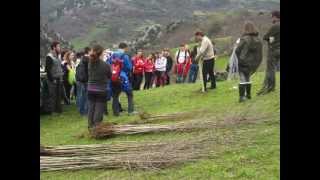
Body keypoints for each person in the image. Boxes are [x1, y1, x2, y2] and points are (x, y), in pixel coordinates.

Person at [235, 21, 263, 102]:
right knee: (248, 78)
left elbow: (237, 50)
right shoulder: (258, 39)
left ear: (245, 29)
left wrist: (239, 58)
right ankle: (248, 95)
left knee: (242, 79)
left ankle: (241, 97)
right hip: (253, 63)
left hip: (243, 61)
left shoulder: (244, 39)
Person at [87, 44, 112, 129]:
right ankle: (97, 127)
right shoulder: (105, 65)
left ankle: (90, 126)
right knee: (99, 109)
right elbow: (109, 76)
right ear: (101, 54)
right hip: (101, 89)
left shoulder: (90, 63)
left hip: (90, 89)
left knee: (91, 107)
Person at [108, 43, 135, 116]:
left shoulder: (112, 55)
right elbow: (129, 67)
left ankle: (116, 113)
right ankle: (131, 111)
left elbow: (108, 64)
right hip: (123, 77)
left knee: (115, 95)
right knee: (129, 93)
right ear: (125, 48)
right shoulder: (125, 56)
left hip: (113, 77)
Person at [257, 10, 280, 95]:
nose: (271, 18)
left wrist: (270, 39)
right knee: (272, 69)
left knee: (270, 70)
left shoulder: (275, 26)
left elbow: (265, 37)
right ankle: (268, 87)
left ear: (275, 17)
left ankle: (270, 88)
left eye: (272, 16)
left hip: (274, 50)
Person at [45, 41, 64, 114]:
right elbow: (48, 69)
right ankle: (52, 111)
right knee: (52, 95)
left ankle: (58, 110)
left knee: (58, 95)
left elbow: (58, 67)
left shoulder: (58, 56)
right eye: (58, 46)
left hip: (59, 78)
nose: (60, 48)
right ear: (54, 47)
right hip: (52, 79)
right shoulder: (49, 56)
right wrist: (52, 79)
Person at [76, 47, 90, 116]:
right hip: (86, 80)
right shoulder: (87, 59)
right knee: (86, 97)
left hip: (81, 79)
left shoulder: (82, 59)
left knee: (83, 96)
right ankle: (85, 112)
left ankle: (81, 111)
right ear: (89, 51)